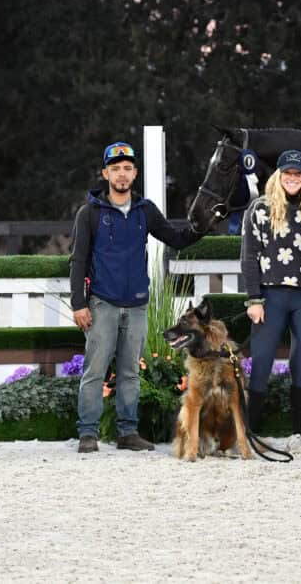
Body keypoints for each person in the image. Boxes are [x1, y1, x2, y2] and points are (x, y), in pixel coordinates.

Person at [70, 141, 204, 453]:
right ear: (106, 173)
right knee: (94, 370)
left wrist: (204, 223)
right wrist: (79, 303)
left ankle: (127, 432)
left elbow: (177, 238)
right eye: (115, 169)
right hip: (102, 303)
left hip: (138, 304)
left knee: (130, 372)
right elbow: (77, 260)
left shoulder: (146, 211)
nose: (121, 174)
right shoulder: (88, 213)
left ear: (135, 173)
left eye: (127, 168)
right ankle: (88, 433)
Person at [241, 150, 301, 444]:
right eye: (288, 174)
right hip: (271, 294)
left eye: (298, 174)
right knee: (262, 361)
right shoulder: (260, 209)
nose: (292, 179)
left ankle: (298, 433)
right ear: (278, 176)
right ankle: (249, 432)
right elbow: (249, 257)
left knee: (300, 361)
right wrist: (254, 299)